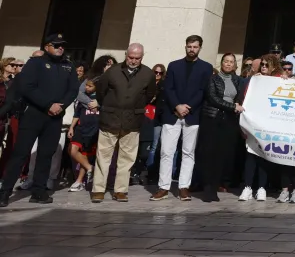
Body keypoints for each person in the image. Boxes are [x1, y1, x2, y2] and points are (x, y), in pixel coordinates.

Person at [0, 33, 78, 207]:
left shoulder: (68, 66)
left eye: (62, 45)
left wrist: (61, 105)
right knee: (20, 153)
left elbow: (73, 89)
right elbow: (26, 87)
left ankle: (39, 191)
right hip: (34, 114)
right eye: (56, 45)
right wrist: (48, 104)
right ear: (47, 47)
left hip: (55, 116)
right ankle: (5, 192)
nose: (60, 48)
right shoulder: (36, 63)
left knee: (46, 154)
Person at [88, 43, 156, 203]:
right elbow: (101, 92)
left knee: (127, 158)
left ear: (142, 57)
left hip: (132, 121)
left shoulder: (148, 74)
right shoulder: (113, 71)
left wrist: (135, 108)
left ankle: (120, 190)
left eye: (137, 58)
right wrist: (110, 107)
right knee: (103, 155)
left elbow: (150, 94)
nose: (133, 61)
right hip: (110, 119)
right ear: (126, 54)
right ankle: (98, 189)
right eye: (130, 57)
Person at [152, 34, 213, 202]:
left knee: (188, 152)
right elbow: (168, 88)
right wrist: (177, 106)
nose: (192, 49)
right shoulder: (174, 66)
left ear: (200, 48)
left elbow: (203, 91)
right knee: (166, 151)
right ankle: (163, 187)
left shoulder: (206, 67)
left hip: (192, 115)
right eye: (189, 46)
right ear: (185, 46)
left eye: (195, 47)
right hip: (172, 114)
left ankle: (183, 187)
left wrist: (188, 107)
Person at [199, 53, 244, 202]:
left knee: (222, 156)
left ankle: (215, 187)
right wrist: (232, 106)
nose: (228, 64)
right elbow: (213, 98)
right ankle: (207, 188)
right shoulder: (213, 79)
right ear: (222, 63)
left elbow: (240, 97)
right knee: (210, 154)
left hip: (229, 120)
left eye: (231, 62)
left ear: (234, 65)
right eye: (226, 61)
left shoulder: (237, 80)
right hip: (213, 118)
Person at [66, 79, 100, 192]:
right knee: (72, 150)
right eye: (86, 85)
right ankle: (90, 168)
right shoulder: (83, 98)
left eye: (90, 86)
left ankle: (79, 181)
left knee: (85, 155)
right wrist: (71, 127)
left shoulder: (101, 100)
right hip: (80, 129)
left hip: (94, 131)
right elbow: (77, 113)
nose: (86, 88)